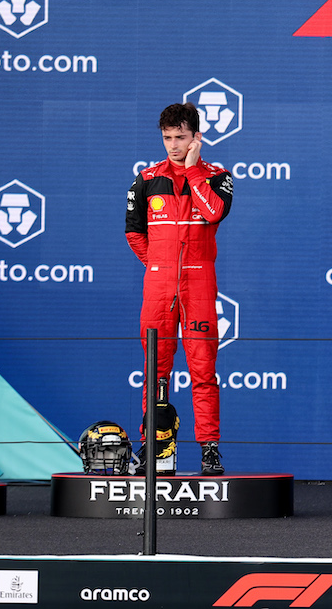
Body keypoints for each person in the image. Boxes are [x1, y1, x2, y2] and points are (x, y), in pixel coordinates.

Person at [126, 102, 233, 475]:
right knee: (156, 371)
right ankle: (155, 448)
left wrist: (192, 172)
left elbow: (214, 212)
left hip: (199, 285)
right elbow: (134, 233)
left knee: (203, 372)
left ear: (196, 138)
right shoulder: (146, 179)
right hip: (158, 286)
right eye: (168, 138)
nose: (173, 145)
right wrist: (159, 266)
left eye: (181, 138)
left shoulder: (217, 177)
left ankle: (209, 449)